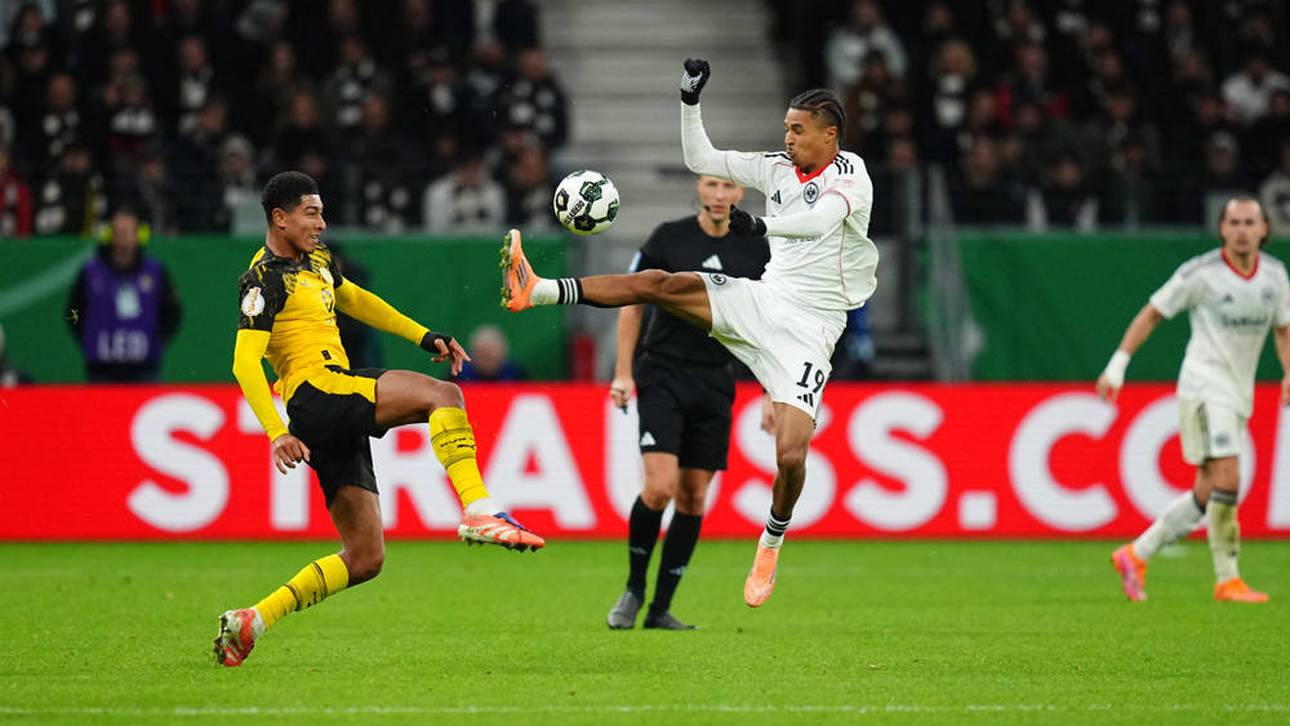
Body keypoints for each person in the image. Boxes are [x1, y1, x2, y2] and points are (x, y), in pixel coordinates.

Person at [501, 59, 878, 608]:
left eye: (798, 130)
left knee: (791, 456)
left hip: (813, 325)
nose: (788, 139)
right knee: (661, 283)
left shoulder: (851, 175)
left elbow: (820, 222)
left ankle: (771, 541)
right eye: (786, 128)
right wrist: (689, 99)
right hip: (763, 300)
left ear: (830, 134)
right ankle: (539, 290)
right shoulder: (776, 167)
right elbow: (701, 158)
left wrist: (761, 225)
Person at [213, 171, 545, 667]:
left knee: (366, 557)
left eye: (322, 213)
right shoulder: (263, 279)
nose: (321, 223)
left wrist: (423, 335)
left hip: (329, 404)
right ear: (279, 218)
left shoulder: (317, 261)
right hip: (317, 393)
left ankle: (253, 620)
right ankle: (479, 508)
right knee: (444, 395)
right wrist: (276, 432)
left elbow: (355, 300)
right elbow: (244, 363)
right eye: (311, 213)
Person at [1099, 196, 1289, 604]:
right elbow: (1152, 312)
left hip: (1239, 391)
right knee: (1229, 478)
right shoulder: (1201, 274)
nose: (1241, 231)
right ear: (1221, 229)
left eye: (1249, 223)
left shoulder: (1275, 276)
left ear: (1264, 229)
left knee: (1207, 490)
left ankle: (1136, 553)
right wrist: (1118, 364)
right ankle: (1227, 579)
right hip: (1205, 385)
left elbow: (1283, 330)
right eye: (1233, 222)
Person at [605, 174, 770, 630]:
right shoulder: (668, 238)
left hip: (715, 380)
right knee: (660, 487)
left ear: (741, 193)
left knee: (694, 498)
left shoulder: (757, 249)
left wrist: (771, 392)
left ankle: (660, 608)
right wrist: (623, 372)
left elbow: (769, 322)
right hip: (663, 372)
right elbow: (632, 301)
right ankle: (634, 589)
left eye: (728, 187)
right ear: (699, 187)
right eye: (712, 185)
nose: (719, 195)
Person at [65, 208, 182, 383]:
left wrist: (157, 342)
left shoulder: (154, 272)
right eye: (118, 233)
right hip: (101, 370)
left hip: (144, 369)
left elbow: (172, 313)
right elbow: (73, 311)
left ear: (137, 236)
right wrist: (87, 338)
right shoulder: (91, 272)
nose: (123, 240)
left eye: (127, 233)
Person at [454, 325, 524, 382]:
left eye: (493, 358)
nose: (489, 365)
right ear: (473, 355)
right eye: (484, 357)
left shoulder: (515, 375)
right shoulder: (460, 375)